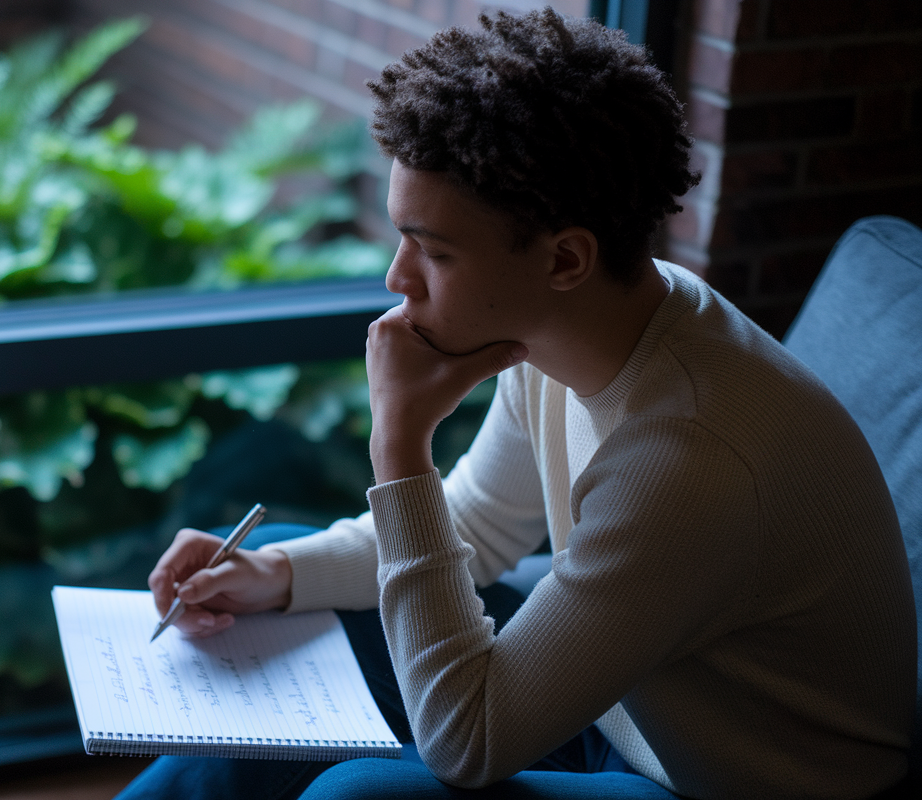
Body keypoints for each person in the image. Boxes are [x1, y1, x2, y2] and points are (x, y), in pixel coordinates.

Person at [117, 8, 916, 799]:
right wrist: (274, 570)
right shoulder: (569, 329)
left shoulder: (689, 457)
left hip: (716, 779)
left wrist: (399, 445)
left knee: (357, 796)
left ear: (565, 258)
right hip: (625, 708)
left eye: (433, 250)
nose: (398, 279)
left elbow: (469, 743)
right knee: (285, 578)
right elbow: (478, 523)